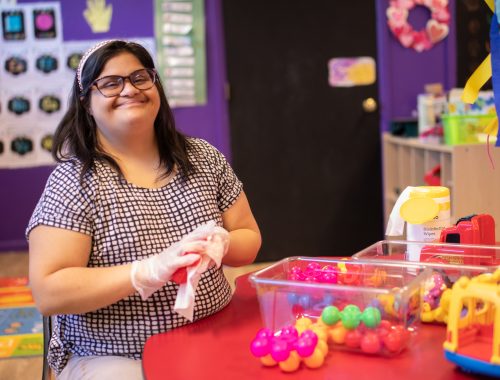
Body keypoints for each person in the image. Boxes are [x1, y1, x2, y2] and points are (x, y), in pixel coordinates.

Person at [26, 40, 261, 379]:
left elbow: (249, 240)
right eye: (110, 83)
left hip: (213, 330)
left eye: (140, 78)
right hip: (114, 355)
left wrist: (221, 243)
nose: (129, 89)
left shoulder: (203, 157)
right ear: (86, 104)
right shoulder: (74, 181)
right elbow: (49, 291)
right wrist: (146, 271)